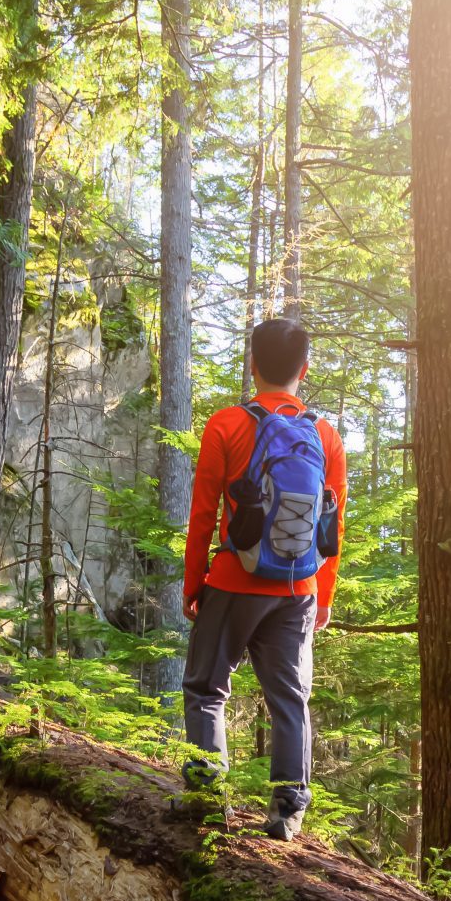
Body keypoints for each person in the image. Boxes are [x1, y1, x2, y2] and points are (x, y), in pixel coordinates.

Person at [180, 316, 346, 841]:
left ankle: (208, 798)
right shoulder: (326, 435)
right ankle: (288, 810)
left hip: (234, 580)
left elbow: (203, 514)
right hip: (298, 588)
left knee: (206, 688)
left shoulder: (226, 425)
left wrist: (194, 584)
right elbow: (332, 524)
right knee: (289, 699)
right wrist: (324, 595)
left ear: (253, 365)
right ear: (305, 367)